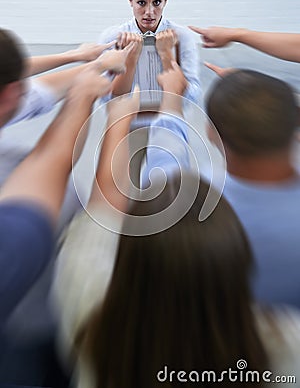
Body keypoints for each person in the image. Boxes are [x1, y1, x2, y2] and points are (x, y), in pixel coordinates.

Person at [53, 65, 300, 388]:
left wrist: (160, 102)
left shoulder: (92, 316)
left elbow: (113, 206)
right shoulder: (284, 342)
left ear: (212, 134)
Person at [0, 28, 132, 387]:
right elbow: (49, 167)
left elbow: (35, 94)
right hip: (24, 344)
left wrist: (85, 63)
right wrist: (110, 114)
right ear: (10, 93)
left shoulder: (12, 97)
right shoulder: (15, 234)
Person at [142, 67, 300, 309]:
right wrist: (265, 98)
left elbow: (163, 158)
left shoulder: (189, 200)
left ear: (211, 133)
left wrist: (172, 98)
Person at [99, 0, 201, 187]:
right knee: (123, 195)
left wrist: (167, 56)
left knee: (170, 194)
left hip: (167, 125)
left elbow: (192, 96)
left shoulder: (182, 37)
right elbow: (106, 99)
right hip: (127, 128)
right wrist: (129, 60)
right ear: (130, 0)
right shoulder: (113, 37)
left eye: (156, 2)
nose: (149, 12)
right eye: (141, 3)